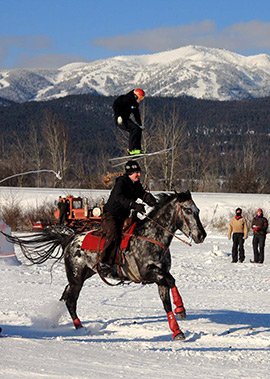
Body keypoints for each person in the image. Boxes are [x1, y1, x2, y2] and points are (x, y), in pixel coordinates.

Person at [100, 160, 156, 266]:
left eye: (139, 172)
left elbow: (142, 194)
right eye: (136, 172)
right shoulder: (121, 182)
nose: (139, 175)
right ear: (130, 173)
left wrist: (151, 200)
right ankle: (104, 263)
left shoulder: (136, 184)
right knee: (114, 235)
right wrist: (134, 205)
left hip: (124, 216)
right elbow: (119, 197)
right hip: (111, 216)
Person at [113, 88, 145, 155]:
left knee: (138, 129)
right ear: (136, 96)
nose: (140, 100)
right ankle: (131, 150)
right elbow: (116, 105)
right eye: (140, 98)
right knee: (134, 129)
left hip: (126, 119)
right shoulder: (125, 98)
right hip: (120, 120)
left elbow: (136, 114)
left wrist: (140, 124)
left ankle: (137, 149)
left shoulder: (135, 104)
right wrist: (119, 116)